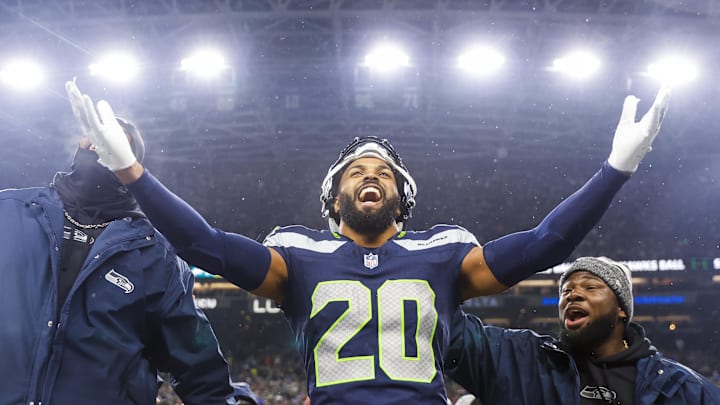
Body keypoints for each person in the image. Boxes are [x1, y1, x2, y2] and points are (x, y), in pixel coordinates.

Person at [65, 80, 670, 404]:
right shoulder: (297, 257)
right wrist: (132, 175)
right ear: (333, 199)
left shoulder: (445, 253)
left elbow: (544, 243)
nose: (370, 174)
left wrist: (614, 169)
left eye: (382, 170)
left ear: (403, 198)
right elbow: (206, 245)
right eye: (356, 170)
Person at [0, 114, 258, 405]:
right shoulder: (8, 212)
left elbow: (200, 373)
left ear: (130, 163)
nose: (100, 142)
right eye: (93, 137)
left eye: (118, 139)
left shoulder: (156, 256)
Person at [445, 256, 720, 404]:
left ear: (621, 308)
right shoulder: (522, 359)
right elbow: (446, 330)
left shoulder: (682, 387)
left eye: (590, 287)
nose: (572, 295)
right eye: (565, 291)